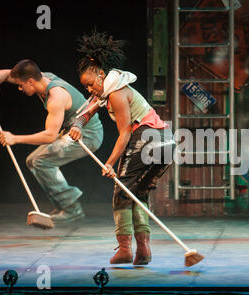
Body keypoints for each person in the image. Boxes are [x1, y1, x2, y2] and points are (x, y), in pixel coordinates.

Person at [68, 30, 174, 265]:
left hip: (148, 138)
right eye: (85, 87)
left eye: (89, 84)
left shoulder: (115, 93)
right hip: (167, 141)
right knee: (137, 194)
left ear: (101, 75)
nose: (89, 90)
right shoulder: (108, 90)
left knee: (121, 194)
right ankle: (143, 251)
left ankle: (125, 249)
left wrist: (110, 163)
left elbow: (125, 133)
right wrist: (77, 126)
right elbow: (85, 112)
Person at [0, 60, 103, 223]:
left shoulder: (55, 97)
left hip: (87, 134)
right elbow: (2, 73)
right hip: (71, 131)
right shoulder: (41, 78)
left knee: (40, 160)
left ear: (30, 81)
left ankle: (71, 208)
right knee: (32, 161)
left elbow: (49, 136)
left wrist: (15, 138)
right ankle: (64, 205)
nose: (19, 88)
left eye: (21, 85)